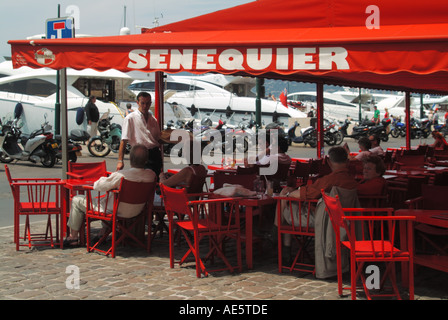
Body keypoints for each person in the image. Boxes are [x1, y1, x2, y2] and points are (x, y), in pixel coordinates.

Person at [274, 146, 358, 262]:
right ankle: (282, 243)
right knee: (288, 203)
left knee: (285, 201)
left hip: (322, 221)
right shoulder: (351, 181)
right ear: (347, 162)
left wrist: (288, 195)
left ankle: (278, 236)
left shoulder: (329, 180)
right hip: (342, 221)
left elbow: (306, 193)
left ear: (328, 162)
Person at [64, 144, 157, 247]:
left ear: (130, 159)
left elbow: (99, 186)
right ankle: (102, 233)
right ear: (146, 160)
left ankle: (73, 237)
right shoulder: (151, 175)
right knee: (108, 201)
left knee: (77, 200)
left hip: (116, 211)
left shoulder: (121, 175)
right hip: (137, 211)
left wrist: (106, 178)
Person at [117, 92, 163, 177]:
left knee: (154, 182)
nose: (145, 106)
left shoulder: (153, 120)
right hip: (140, 155)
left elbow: (158, 139)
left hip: (154, 155)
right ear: (137, 103)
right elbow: (124, 140)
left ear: (150, 103)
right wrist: (120, 161)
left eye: (148, 103)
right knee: (141, 182)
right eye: (143, 103)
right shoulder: (130, 118)